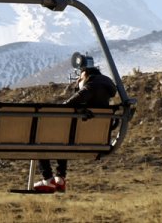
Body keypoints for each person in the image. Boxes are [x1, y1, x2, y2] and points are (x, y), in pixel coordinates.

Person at [32, 65, 117, 193]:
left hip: (77, 139)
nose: (78, 78)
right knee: (65, 139)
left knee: (43, 138)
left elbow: (68, 105)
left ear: (86, 74)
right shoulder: (105, 96)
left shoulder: (91, 87)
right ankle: (60, 178)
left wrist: (78, 88)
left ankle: (48, 179)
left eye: (80, 75)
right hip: (97, 141)